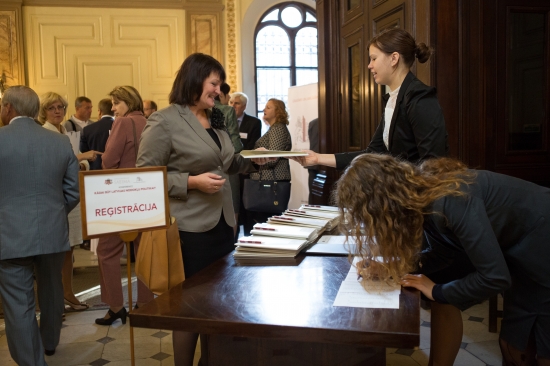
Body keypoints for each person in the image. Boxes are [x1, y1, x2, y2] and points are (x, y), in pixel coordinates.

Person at [335, 153, 550, 366]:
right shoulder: (422, 196)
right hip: (522, 243)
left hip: (541, 238)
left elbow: (495, 277)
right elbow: (444, 252)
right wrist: (391, 270)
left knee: (534, 348)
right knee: (514, 344)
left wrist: (438, 290)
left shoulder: (449, 200)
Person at [136, 53, 260, 366]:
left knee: (217, 305)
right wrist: (191, 182)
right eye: (214, 83)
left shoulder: (215, 117)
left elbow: (228, 161)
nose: (219, 91)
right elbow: (145, 176)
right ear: (195, 79)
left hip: (222, 224)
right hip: (189, 229)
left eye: (220, 85)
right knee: (190, 307)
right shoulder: (164, 120)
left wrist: (259, 158)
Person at [0, 85, 80, 364]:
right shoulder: (59, 142)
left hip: (9, 235)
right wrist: (55, 214)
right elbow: (73, 192)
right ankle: (50, 342)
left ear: (8, 108)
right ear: (36, 110)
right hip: (52, 231)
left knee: (18, 304)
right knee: (52, 288)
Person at [293, 27, 448, 170]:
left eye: (373, 58)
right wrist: (317, 158)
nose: (369, 65)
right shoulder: (393, 99)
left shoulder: (420, 97)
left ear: (394, 58)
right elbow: (372, 154)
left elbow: (433, 165)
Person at [94, 85, 154, 325]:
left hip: (121, 195)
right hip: (148, 193)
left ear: (127, 102)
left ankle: (116, 306)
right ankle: (146, 303)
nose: (113, 107)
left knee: (107, 250)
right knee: (144, 250)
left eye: (116, 102)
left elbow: (109, 160)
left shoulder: (122, 123)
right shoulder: (150, 122)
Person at [38, 92, 101, 312]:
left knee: (69, 250)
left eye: (60, 107)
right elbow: (55, 164)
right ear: (43, 111)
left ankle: (67, 292)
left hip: (69, 196)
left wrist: (80, 164)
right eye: (51, 108)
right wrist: (82, 158)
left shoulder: (64, 130)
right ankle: (55, 299)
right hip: (55, 197)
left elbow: (69, 163)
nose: (57, 111)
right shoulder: (43, 132)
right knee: (55, 252)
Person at [243, 98, 292, 235]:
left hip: (270, 183)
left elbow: (272, 157)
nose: (264, 109)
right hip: (267, 181)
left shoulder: (278, 129)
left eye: (269, 107)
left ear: (278, 111)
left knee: (267, 225)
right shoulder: (274, 128)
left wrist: (253, 158)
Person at [230, 91, 262, 239]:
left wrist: (242, 163)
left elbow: (251, 145)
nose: (232, 106)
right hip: (231, 170)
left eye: (236, 103)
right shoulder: (226, 121)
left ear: (243, 106)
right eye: (231, 103)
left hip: (245, 172)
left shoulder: (254, 122)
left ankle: (250, 238)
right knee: (234, 208)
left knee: (247, 207)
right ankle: (234, 239)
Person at [215, 83, 243, 237]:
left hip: (206, 167)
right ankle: (231, 244)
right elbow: (235, 143)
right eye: (228, 97)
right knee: (233, 206)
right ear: (221, 95)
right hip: (228, 164)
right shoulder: (227, 110)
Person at [80, 98, 114, 170]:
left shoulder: (88, 129)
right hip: (115, 170)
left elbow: (83, 152)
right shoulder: (120, 127)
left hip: (94, 170)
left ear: (99, 111)